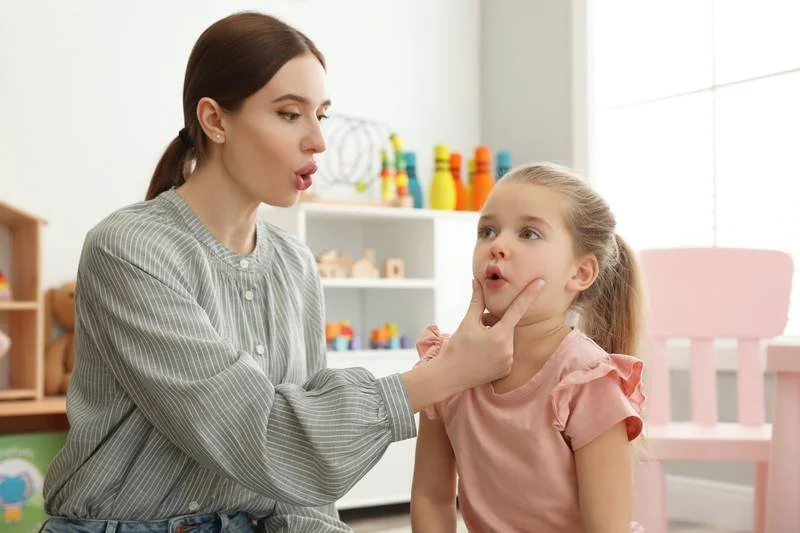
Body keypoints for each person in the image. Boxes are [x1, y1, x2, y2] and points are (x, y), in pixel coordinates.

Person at [39, 11, 546, 533]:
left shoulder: (294, 264)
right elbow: (259, 434)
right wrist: (443, 375)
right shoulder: (130, 249)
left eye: (320, 116)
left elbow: (298, 487)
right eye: (288, 114)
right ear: (215, 121)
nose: (317, 142)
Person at [409, 162, 647, 532]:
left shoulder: (588, 381)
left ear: (580, 273)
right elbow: (431, 496)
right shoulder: (445, 366)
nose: (498, 246)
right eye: (487, 230)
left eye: (529, 234)